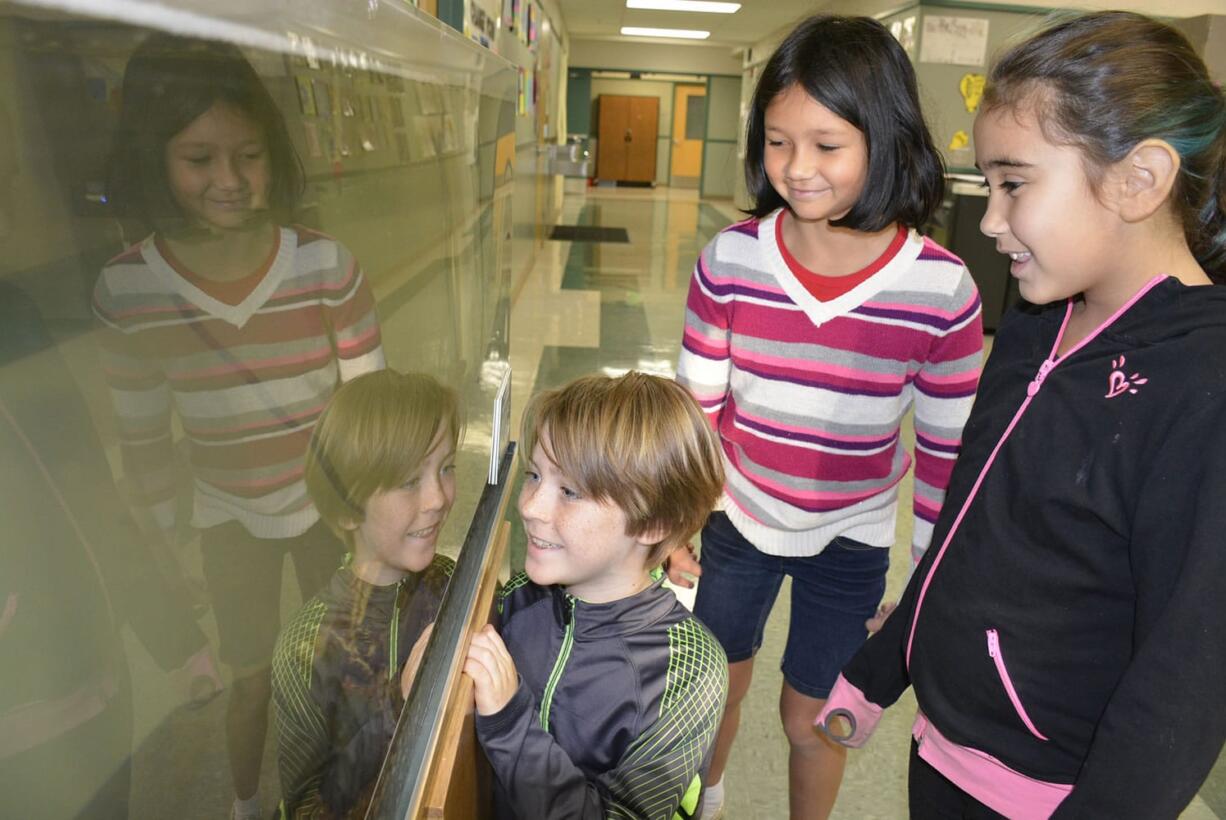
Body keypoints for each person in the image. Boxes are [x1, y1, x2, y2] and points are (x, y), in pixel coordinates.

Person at [816, 11, 1226, 819]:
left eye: (1014, 183)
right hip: (943, 749)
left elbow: (1188, 675)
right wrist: (880, 672)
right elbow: (969, 519)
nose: (991, 219)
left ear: (1139, 180)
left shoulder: (1202, 386)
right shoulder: (1037, 325)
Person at [666, 15, 983, 819]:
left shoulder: (941, 292)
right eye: (777, 142)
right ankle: (704, 801)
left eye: (826, 144)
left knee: (814, 720)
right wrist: (672, 522)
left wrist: (918, 581)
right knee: (716, 690)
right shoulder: (731, 259)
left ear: (886, 139)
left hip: (852, 537)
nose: (796, 168)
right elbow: (694, 409)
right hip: (733, 517)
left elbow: (948, 456)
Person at [94, 34, 384, 820]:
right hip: (226, 515)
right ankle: (249, 804)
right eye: (198, 160)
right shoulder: (127, 292)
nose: (228, 182)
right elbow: (144, 436)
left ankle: (349, 789)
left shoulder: (326, 267)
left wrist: (373, 520)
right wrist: (163, 541)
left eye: (249, 156)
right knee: (247, 676)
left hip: (330, 511)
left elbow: (370, 416)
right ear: (154, 160)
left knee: (348, 661)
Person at [463, 372, 729, 819]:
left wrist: (511, 724)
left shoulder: (689, 675)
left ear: (652, 523)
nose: (529, 507)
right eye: (534, 475)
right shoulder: (519, 602)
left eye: (569, 491)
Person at [271, 369, 458, 818]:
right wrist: (400, 704)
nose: (437, 498)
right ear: (348, 507)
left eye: (446, 468)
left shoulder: (451, 580)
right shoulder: (306, 648)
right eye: (410, 480)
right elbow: (307, 807)